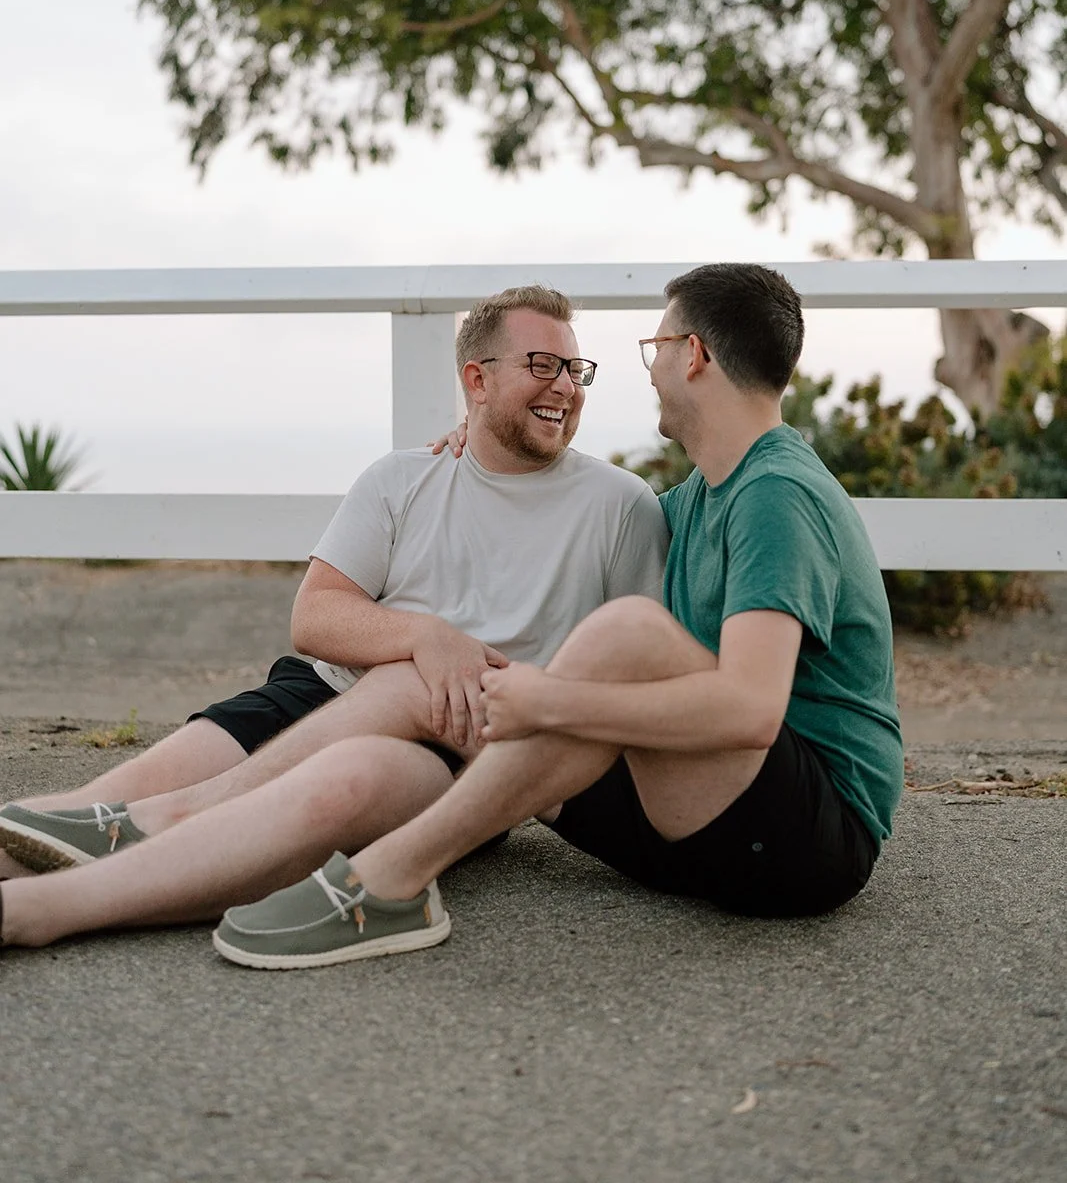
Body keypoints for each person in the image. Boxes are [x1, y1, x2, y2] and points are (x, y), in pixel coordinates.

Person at [0, 264, 902, 961]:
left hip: (803, 833)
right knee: (429, 678)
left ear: (693, 356)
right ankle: (200, 851)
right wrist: (475, 448)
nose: (631, 373)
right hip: (699, 804)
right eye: (542, 366)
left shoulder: (768, 494)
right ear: (475, 380)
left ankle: (380, 877)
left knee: (603, 642)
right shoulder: (700, 498)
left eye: (651, 349)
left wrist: (540, 701)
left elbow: (746, 710)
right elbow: (331, 613)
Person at [0, 285, 666, 885]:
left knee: (218, 839)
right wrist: (425, 636)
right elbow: (314, 618)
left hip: (451, 744)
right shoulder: (401, 478)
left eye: (574, 369)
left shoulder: (619, 505)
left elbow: (634, 673)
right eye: (542, 365)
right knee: (89, 810)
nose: (565, 387)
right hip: (322, 692)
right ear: (477, 379)